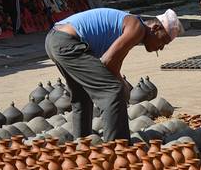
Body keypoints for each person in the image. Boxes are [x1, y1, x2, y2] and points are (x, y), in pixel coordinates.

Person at [45, 8, 183, 141]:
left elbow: (115, 61)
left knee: (82, 96)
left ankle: (82, 145)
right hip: (67, 42)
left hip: (55, 39)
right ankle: (117, 147)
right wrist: (121, 84)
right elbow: (108, 61)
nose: (161, 47)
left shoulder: (133, 25)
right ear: (155, 28)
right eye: (163, 41)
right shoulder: (137, 28)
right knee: (113, 91)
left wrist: (119, 80)